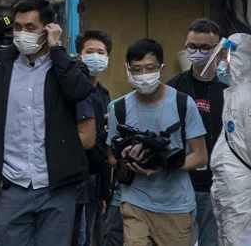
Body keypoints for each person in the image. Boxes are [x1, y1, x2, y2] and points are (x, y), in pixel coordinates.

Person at [0, 0, 94, 245]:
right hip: (13, 186)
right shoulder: (0, 73)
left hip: (57, 188)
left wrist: (57, 50)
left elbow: (79, 91)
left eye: (30, 27)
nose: (22, 33)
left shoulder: (67, 69)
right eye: (17, 27)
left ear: (47, 29)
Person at [107, 38, 207, 246]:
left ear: (161, 68)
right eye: (137, 69)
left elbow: (200, 155)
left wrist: (165, 164)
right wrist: (127, 160)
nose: (144, 75)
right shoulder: (118, 109)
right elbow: (110, 155)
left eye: (150, 68)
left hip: (175, 205)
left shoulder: (183, 103)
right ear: (128, 70)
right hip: (134, 200)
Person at [167, 18, 224, 246]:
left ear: (218, 50)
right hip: (181, 181)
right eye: (191, 46)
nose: (196, 52)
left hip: (219, 184)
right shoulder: (173, 87)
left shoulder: (230, 87)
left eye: (204, 48)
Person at [75, 29, 115, 246]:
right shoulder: (71, 89)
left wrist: (104, 191)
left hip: (95, 178)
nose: (96, 56)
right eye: (90, 51)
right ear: (79, 55)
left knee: (91, 234)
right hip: (72, 177)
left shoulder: (104, 94)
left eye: (101, 52)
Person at [209, 33, 251, 243]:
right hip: (230, 194)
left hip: (241, 196)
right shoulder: (235, 93)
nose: (222, 63)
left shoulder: (247, 98)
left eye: (227, 57)